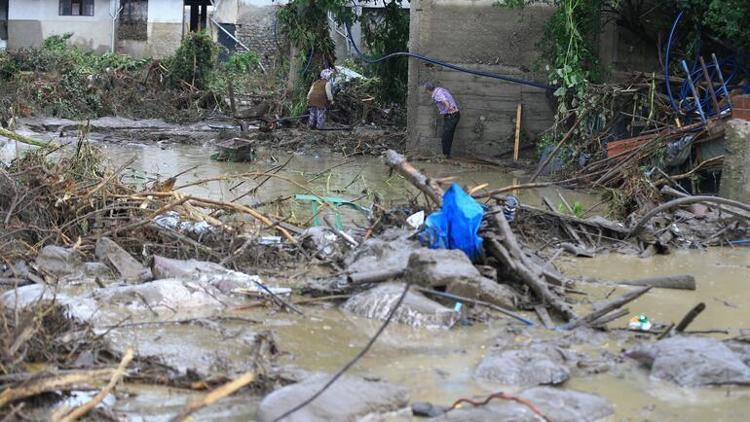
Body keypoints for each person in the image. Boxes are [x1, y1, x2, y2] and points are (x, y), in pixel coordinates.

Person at [424, 82, 460, 158]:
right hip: (454, 115)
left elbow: (446, 102)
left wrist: (448, 111)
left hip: (451, 116)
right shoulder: (439, 89)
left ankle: (445, 155)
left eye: (426, 91)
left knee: (445, 136)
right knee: (448, 136)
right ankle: (447, 155)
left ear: (427, 90)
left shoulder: (436, 94)